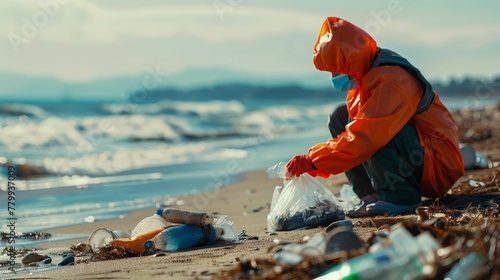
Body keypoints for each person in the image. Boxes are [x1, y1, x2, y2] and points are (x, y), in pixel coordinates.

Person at [286, 17, 464, 217]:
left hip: (437, 165)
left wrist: (313, 160)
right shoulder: (365, 75)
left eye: (336, 69)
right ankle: (370, 195)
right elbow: (356, 132)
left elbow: (366, 136)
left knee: (374, 130)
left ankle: (400, 197)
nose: (334, 77)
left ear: (349, 60)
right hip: (418, 155)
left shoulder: (391, 77)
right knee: (339, 117)